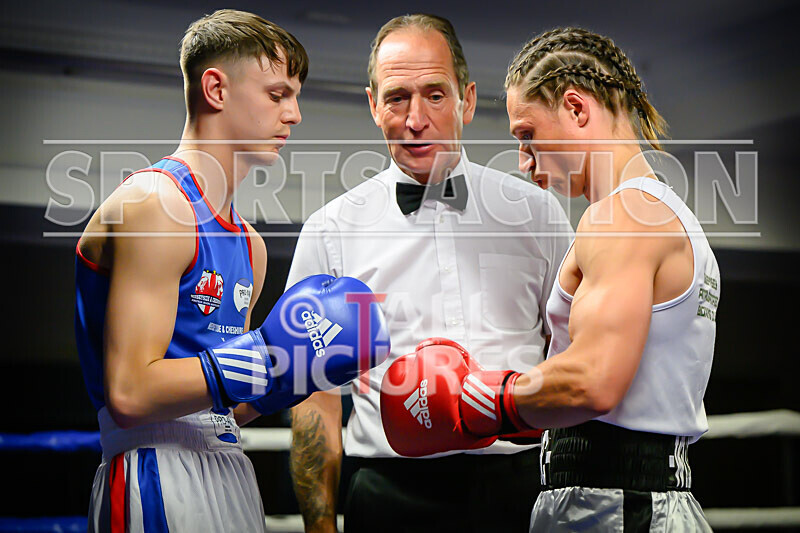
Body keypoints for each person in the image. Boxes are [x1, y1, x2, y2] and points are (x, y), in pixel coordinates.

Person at [380, 27, 719, 531]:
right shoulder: (660, 211)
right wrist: (526, 412)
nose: (525, 162)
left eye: (527, 136)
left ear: (577, 110)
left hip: (615, 506)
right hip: (626, 496)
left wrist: (476, 401)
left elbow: (591, 382)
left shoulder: (621, 216)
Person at [75, 10, 389, 532]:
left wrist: (289, 377)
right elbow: (129, 393)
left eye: (295, 96)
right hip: (152, 469)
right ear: (216, 89)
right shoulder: (154, 204)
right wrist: (267, 357)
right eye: (277, 94)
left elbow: (219, 406)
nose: (295, 114)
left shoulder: (250, 246)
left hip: (228, 469)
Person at [287, 14, 572, 533]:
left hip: (520, 483)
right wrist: (320, 525)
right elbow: (315, 396)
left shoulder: (537, 213)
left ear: (466, 99)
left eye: (435, 95)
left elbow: (573, 355)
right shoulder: (331, 230)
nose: (416, 117)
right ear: (373, 104)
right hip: (388, 491)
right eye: (397, 97)